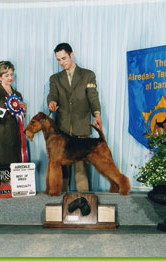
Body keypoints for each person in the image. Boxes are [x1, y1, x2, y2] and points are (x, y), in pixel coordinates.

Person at [47, 43, 102, 192]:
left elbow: (93, 98)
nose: (61, 62)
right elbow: (52, 95)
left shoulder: (88, 75)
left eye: (64, 58)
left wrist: (97, 115)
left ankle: (84, 202)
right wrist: (51, 102)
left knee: (80, 170)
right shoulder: (55, 78)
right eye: (58, 60)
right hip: (62, 131)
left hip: (81, 128)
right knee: (62, 171)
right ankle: (61, 204)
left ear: (71, 55)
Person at [0, 61, 27, 172]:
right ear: (0, 77)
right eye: (6, 75)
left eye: (12, 74)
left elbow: (20, 116)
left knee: (13, 166)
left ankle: (11, 188)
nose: (10, 77)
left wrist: (24, 110)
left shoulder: (17, 95)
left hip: (13, 134)